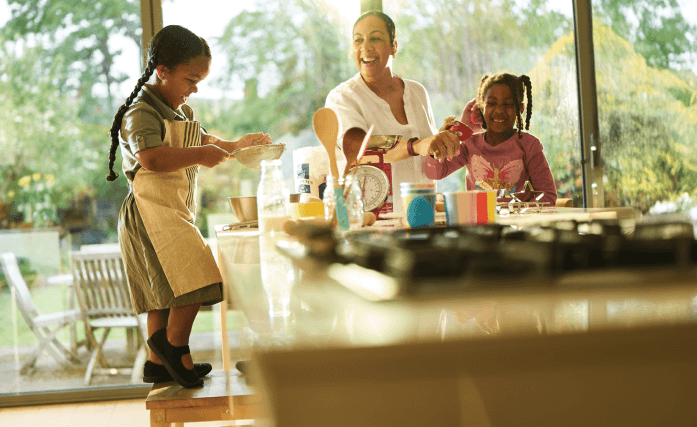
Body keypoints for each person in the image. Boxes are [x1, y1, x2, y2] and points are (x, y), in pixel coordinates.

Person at [106, 25, 271, 388]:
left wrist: (235, 145)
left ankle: (159, 363)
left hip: (171, 209)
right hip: (149, 213)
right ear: (162, 71)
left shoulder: (180, 110)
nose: (195, 88)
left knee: (163, 293)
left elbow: (204, 140)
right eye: (191, 79)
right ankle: (171, 346)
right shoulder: (140, 112)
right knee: (197, 277)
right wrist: (204, 155)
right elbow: (151, 157)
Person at [325, 11, 460, 214]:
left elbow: (425, 158)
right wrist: (417, 146)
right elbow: (358, 148)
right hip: (371, 223)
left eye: (376, 38)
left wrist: (439, 142)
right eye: (358, 40)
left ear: (394, 46)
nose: (365, 47)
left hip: (422, 217)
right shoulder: (343, 97)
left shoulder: (417, 92)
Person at [426, 73, 557, 206]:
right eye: (492, 103)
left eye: (508, 104)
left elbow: (547, 195)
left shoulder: (529, 145)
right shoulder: (469, 144)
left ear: (521, 109)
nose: (499, 110)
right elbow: (434, 173)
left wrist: (521, 214)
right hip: (480, 223)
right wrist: (443, 141)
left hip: (518, 224)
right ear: (481, 108)